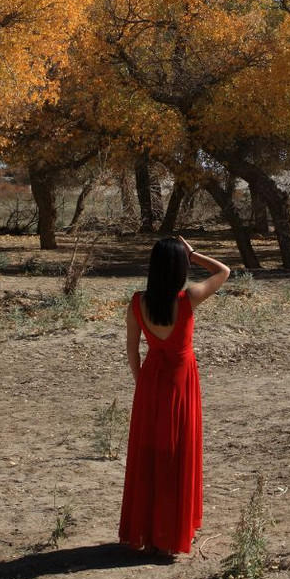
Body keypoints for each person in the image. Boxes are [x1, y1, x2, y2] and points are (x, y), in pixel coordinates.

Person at [119, 234, 230, 556]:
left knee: (150, 455)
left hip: (151, 380)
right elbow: (223, 271)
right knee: (176, 454)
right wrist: (194, 253)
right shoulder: (188, 298)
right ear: (180, 267)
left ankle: (150, 533)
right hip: (181, 382)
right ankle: (171, 535)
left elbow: (131, 349)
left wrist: (142, 383)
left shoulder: (137, 301)